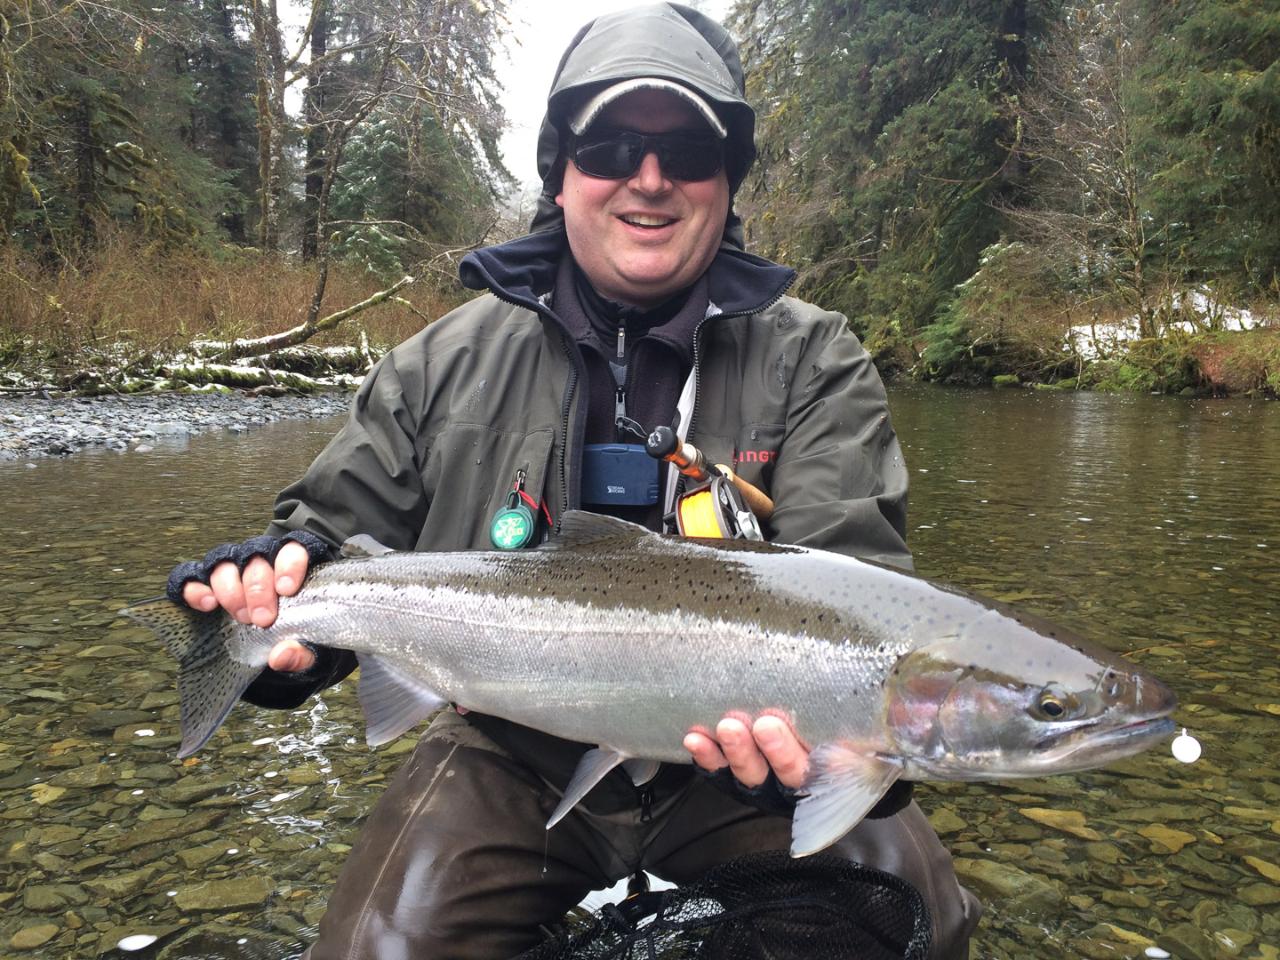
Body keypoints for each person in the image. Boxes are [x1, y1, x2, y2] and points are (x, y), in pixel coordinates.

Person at [168, 4, 980, 958]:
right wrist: (276, 618)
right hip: (506, 741)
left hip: (733, 764)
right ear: (560, 174)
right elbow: (331, 536)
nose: (648, 177)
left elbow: (860, 593)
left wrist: (833, 747)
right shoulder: (441, 362)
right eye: (610, 145)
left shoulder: (815, 359)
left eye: (686, 149)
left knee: (919, 925)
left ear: (727, 181)